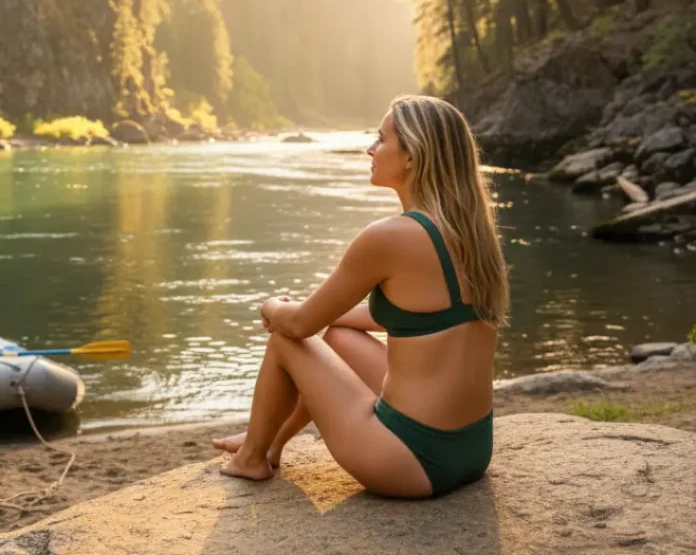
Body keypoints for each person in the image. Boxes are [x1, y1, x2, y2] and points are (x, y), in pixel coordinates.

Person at [212, 95, 510, 498]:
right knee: (338, 337)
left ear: (411, 156)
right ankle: (270, 441)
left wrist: (274, 307)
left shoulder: (389, 237)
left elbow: (299, 325)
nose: (370, 149)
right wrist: (328, 315)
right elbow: (426, 318)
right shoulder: (472, 234)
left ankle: (251, 459)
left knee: (287, 340)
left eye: (380, 139)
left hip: (409, 462)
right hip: (472, 451)